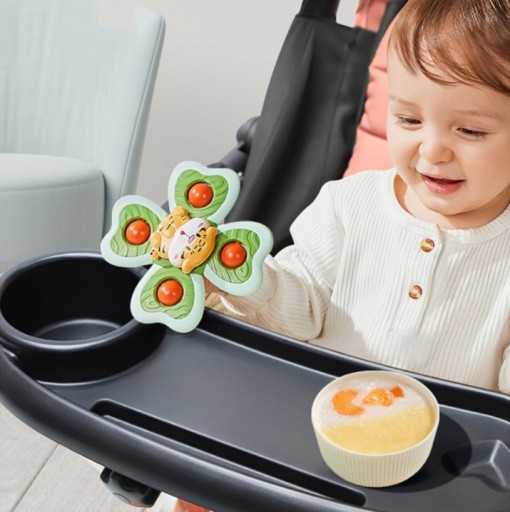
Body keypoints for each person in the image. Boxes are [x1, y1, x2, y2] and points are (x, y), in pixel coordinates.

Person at [169, 0, 510, 510]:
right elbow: (298, 300)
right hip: (308, 446)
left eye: (471, 131)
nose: (432, 150)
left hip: (444, 480)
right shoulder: (348, 206)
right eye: (408, 118)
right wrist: (240, 277)